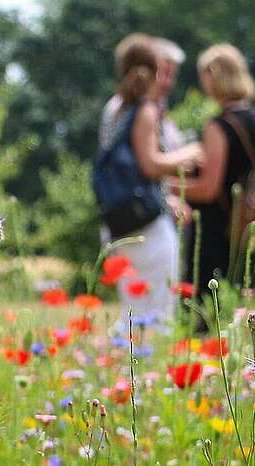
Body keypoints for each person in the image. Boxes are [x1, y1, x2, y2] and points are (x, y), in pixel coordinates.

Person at [173, 44, 255, 332]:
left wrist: (168, 187)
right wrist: (248, 200)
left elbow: (209, 189)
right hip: (242, 227)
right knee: (241, 307)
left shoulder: (218, 126)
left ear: (214, 75)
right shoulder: (254, 118)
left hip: (214, 230)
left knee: (209, 315)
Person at [98, 36, 201, 331]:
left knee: (132, 308)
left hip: (119, 219)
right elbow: (149, 164)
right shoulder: (144, 109)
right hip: (146, 224)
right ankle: (148, 371)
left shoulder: (117, 108)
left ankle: (126, 369)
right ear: (155, 70)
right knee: (157, 312)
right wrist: (189, 154)